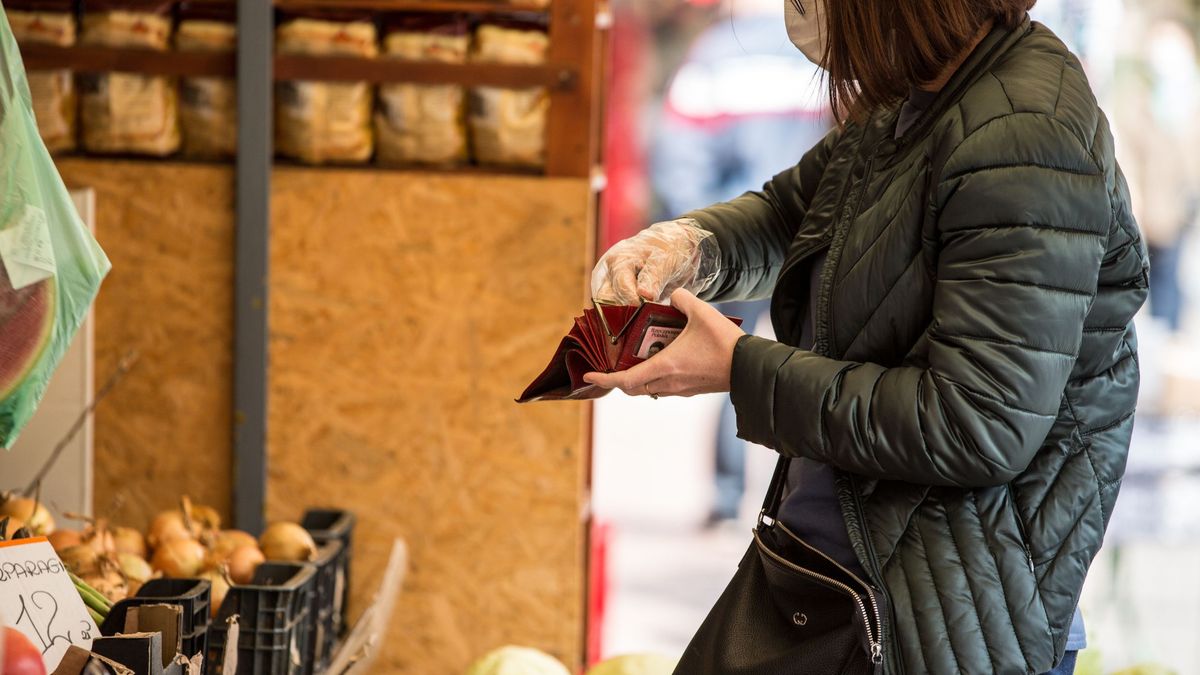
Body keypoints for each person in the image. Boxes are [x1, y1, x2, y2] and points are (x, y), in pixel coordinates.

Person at [587, 0, 1148, 672]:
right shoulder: (914, 95)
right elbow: (794, 212)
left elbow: (978, 422)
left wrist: (741, 368)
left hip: (940, 624)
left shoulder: (1024, 132)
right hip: (838, 574)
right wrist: (689, 247)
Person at [649, 0, 831, 528]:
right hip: (814, 238)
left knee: (732, 365)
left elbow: (679, 150)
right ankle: (800, 503)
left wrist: (696, 237)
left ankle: (728, 498)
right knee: (813, 372)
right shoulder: (819, 54)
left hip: (740, 242)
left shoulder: (715, 55)